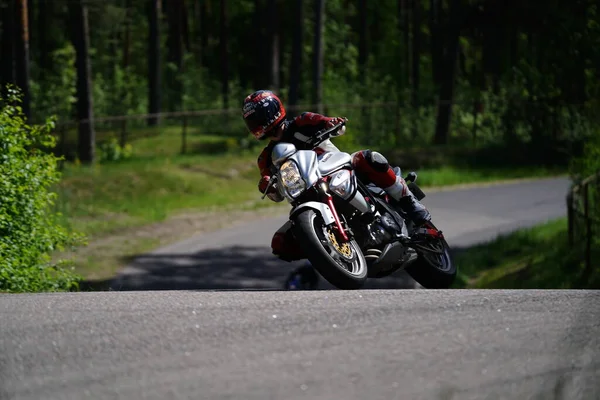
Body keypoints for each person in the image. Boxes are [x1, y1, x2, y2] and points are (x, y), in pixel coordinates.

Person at [242, 89, 431, 260]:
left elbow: (331, 124)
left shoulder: (302, 122)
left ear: (271, 111)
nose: (255, 124)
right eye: (251, 121)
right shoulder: (266, 158)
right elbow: (275, 194)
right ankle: (328, 249)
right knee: (281, 243)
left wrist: (331, 123)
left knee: (367, 157)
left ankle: (410, 203)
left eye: (257, 118)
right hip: (305, 195)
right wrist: (267, 184)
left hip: (335, 170)